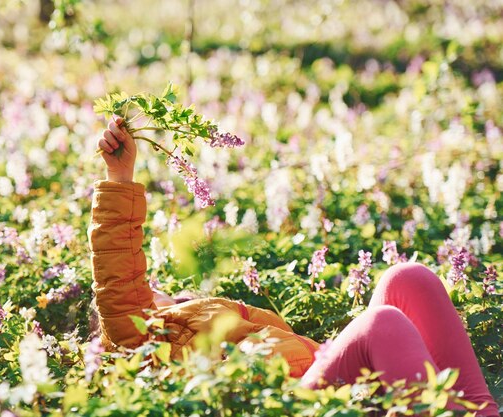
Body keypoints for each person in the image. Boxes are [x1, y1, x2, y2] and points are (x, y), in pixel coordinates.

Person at [89, 118, 500, 417]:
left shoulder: (200, 313)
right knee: (381, 324)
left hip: (322, 382)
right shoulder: (142, 337)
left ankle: (481, 413)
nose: (151, 282)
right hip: (290, 405)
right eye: (144, 284)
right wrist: (119, 176)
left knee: (407, 278)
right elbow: (117, 279)